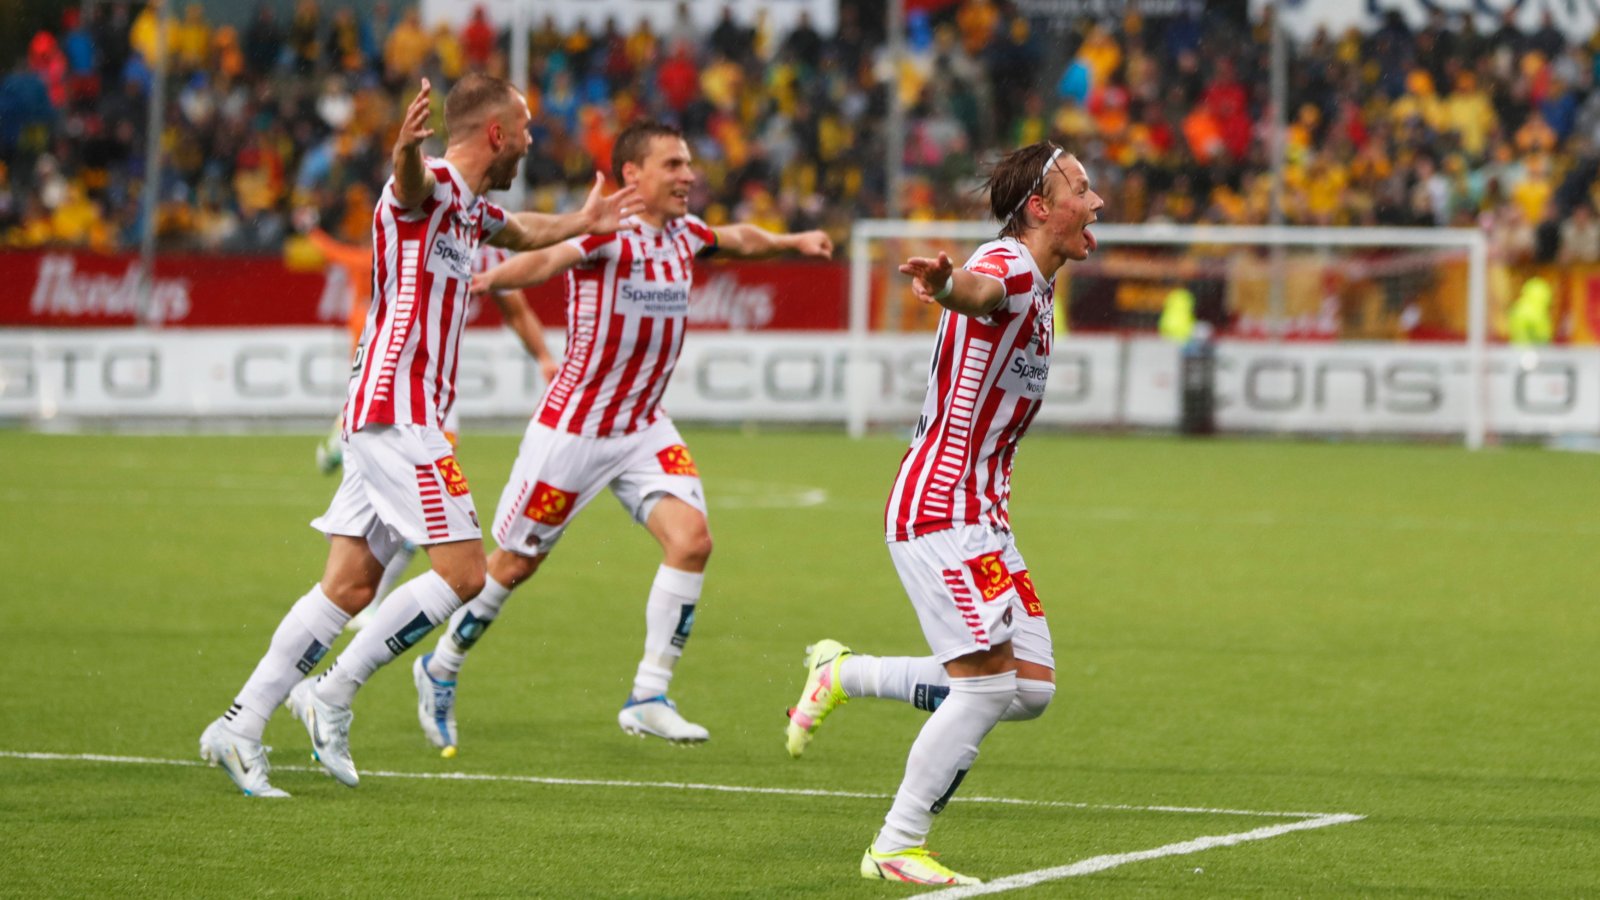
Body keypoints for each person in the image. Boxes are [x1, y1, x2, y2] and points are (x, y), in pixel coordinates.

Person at [198, 74, 638, 798]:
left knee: (348, 585)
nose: (531, 139)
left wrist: (584, 220)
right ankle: (332, 693)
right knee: (466, 574)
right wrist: (403, 150)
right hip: (397, 413)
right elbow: (408, 184)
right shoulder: (429, 185)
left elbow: (523, 231)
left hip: (393, 414)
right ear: (495, 133)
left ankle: (239, 727)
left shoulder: (469, 208)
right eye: (524, 127)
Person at [409, 119, 833, 752]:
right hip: (574, 431)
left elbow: (740, 239)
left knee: (692, 542)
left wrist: (794, 240)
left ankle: (648, 696)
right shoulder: (608, 234)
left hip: (644, 427)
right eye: (674, 164)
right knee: (514, 564)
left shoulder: (688, 235)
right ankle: (440, 666)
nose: (688, 175)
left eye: (688, 164)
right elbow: (549, 257)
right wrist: (500, 277)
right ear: (633, 173)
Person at [783, 140, 1102, 885]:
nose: (1096, 203)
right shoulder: (1009, 265)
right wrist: (947, 283)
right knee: (986, 685)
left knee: (1029, 687)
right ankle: (896, 844)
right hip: (941, 508)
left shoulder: (1041, 288)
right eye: (1082, 190)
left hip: (981, 515)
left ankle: (844, 673)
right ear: (1040, 208)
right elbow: (980, 291)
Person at [344, 241, 564, 632]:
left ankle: (364, 600)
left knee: (423, 503)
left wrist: (544, 357)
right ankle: (357, 597)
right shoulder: (418, 230)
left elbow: (516, 309)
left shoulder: (485, 246)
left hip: (435, 392)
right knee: (406, 502)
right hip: (394, 385)